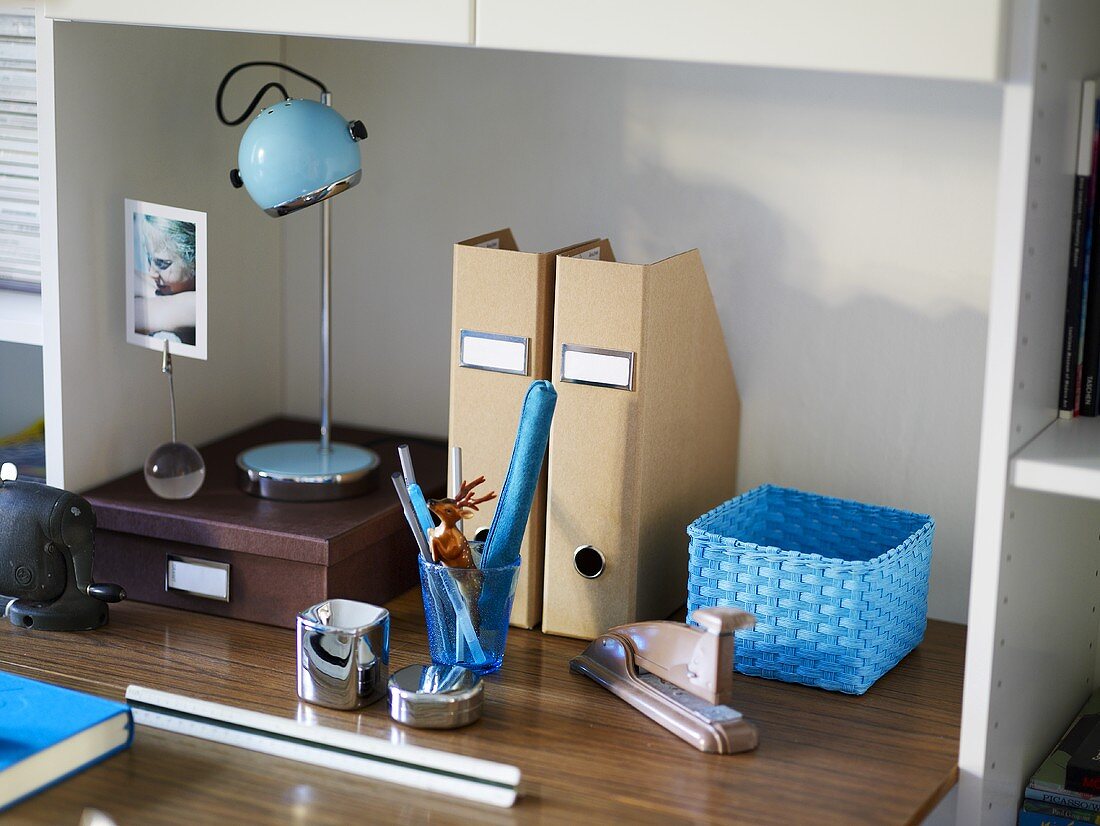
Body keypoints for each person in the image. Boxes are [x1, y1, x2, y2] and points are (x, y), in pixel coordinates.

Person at [132, 215, 197, 345]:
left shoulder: (197, 304)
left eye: (162, 263)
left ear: (195, 261)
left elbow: (131, 313)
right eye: (150, 259)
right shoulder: (173, 286)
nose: (152, 273)